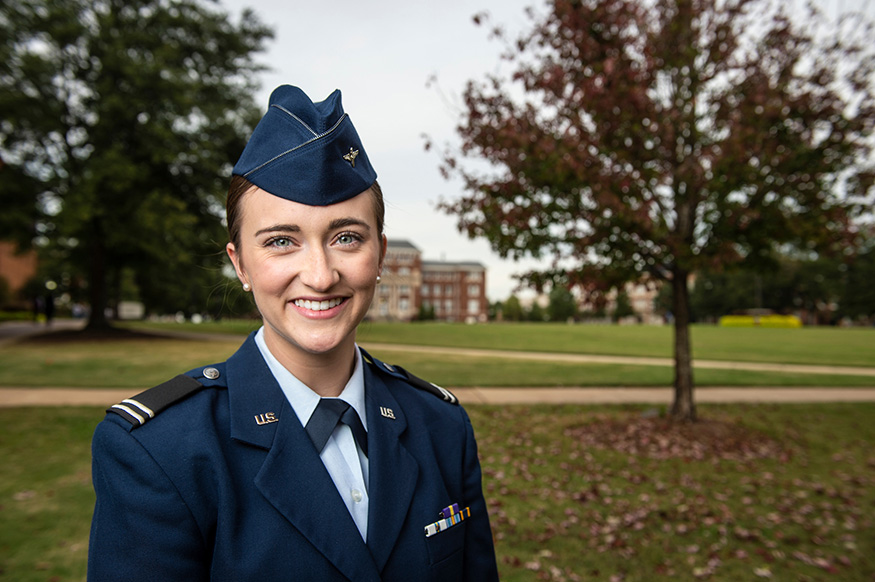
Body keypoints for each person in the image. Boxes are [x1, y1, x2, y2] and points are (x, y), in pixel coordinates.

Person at [87, 85, 499, 581]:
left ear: (381, 255)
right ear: (240, 265)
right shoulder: (161, 452)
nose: (321, 275)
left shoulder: (441, 426)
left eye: (346, 237)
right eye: (282, 241)